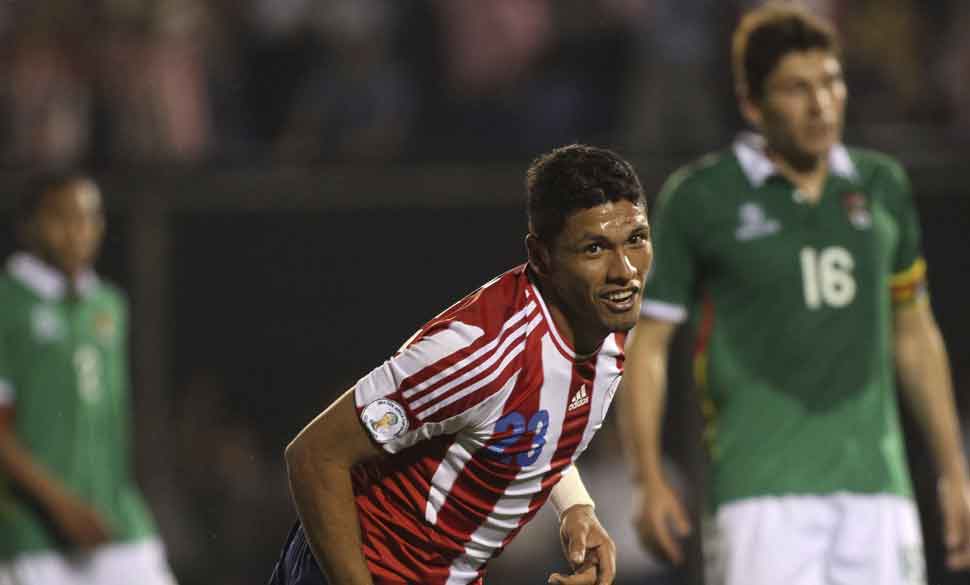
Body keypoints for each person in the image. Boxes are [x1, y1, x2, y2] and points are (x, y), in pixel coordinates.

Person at [618, 4, 970, 585]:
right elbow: (648, 343)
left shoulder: (883, 186)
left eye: (831, 82)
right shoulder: (702, 198)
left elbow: (914, 331)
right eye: (796, 88)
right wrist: (646, 477)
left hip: (878, 489)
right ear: (752, 103)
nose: (821, 104)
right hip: (759, 494)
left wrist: (954, 470)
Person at [269, 144, 653, 585]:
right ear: (541, 256)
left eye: (636, 239)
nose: (625, 270)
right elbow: (314, 456)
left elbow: (536, 422)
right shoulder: (478, 354)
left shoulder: (607, 320)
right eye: (594, 248)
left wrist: (575, 508)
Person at [0, 172, 178, 585]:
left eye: (89, 218)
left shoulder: (108, 305)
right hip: (33, 534)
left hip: (114, 521)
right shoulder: (7, 304)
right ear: (29, 224)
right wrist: (61, 505)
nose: (78, 231)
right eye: (62, 217)